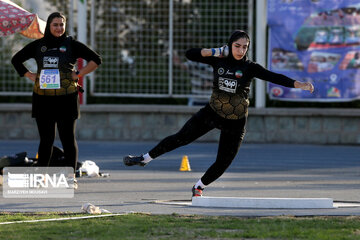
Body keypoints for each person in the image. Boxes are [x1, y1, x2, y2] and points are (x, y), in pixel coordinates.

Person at [123, 30, 314, 197]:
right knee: (181, 138)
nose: (240, 50)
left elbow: (274, 77)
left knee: (223, 162)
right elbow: (190, 54)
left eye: (244, 47)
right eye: (237, 46)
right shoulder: (218, 60)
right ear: (229, 45)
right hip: (212, 112)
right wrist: (214, 51)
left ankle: (199, 186)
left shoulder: (250, 67)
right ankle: (144, 158)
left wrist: (299, 85)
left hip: (236, 121)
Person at [11, 12, 102, 187]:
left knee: (68, 139)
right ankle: (41, 177)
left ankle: (70, 178)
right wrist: (29, 75)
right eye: (55, 25)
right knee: (46, 140)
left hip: (67, 98)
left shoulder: (72, 45)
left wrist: (78, 74)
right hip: (43, 99)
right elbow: (16, 60)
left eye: (62, 24)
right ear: (48, 27)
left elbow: (96, 59)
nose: (59, 28)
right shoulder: (39, 45)